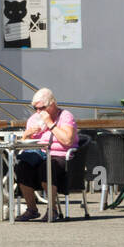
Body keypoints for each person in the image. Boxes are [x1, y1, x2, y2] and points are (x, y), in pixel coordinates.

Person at [14, 87, 78, 222]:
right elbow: (23, 143)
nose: (38, 112)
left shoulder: (65, 116)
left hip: (60, 155)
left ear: (52, 104)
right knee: (22, 167)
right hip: (39, 154)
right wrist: (27, 133)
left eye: (41, 108)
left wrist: (50, 123)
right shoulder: (33, 119)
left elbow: (67, 140)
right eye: (35, 108)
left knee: (46, 167)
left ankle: (52, 210)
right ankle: (32, 209)